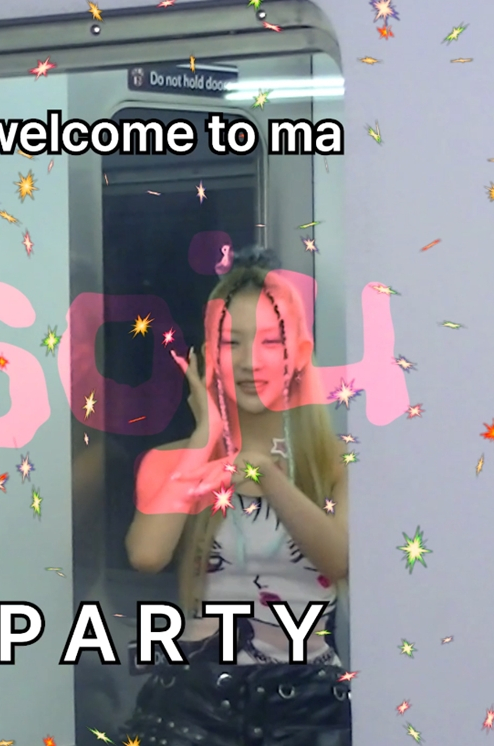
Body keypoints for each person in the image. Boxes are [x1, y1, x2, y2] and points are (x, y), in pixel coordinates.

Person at [121, 251, 352, 746]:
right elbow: (146, 555)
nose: (251, 362)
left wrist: (265, 474)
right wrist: (204, 437)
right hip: (196, 708)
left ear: (299, 353)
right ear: (209, 355)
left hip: (309, 710)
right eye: (232, 343)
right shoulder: (172, 459)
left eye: (271, 341)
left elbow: (340, 559)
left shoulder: (334, 462)